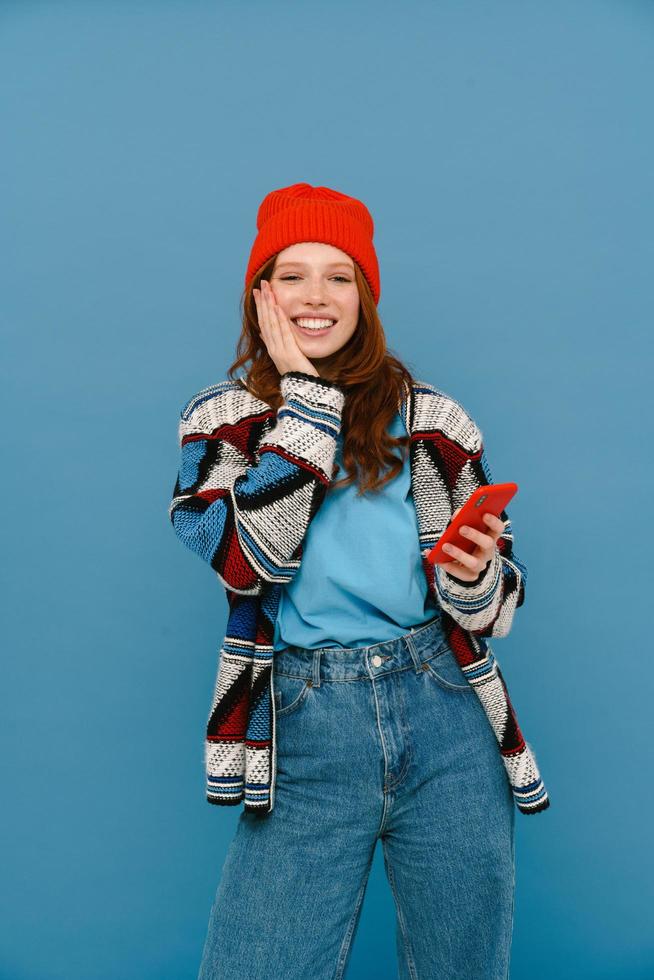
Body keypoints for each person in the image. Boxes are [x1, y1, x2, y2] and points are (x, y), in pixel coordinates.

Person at [169, 183, 549, 980]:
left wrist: (478, 576)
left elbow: (498, 604)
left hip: (443, 709)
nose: (316, 296)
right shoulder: (223, 421)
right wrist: (306, 400)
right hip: (306, 719)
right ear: (260, 293)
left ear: (366, 294)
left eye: (339, 276)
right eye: (293, 274)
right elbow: (250, 560)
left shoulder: (433, 419)